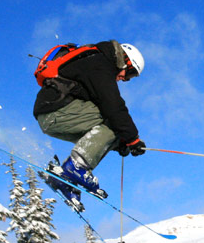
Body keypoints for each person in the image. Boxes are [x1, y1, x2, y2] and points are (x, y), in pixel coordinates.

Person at [33, 40, 146, 201]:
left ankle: (66, 180)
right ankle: (76, 166)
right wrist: (132, 138)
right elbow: (113, 105)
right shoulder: (100, 64)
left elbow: (103, 130)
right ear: (126, 61)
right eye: (130, 74)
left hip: (52, 115)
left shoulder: (96, 62)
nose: (124, 79)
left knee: (114, 132)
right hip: (56, 112)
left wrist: (121, 142)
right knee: (113, 120)